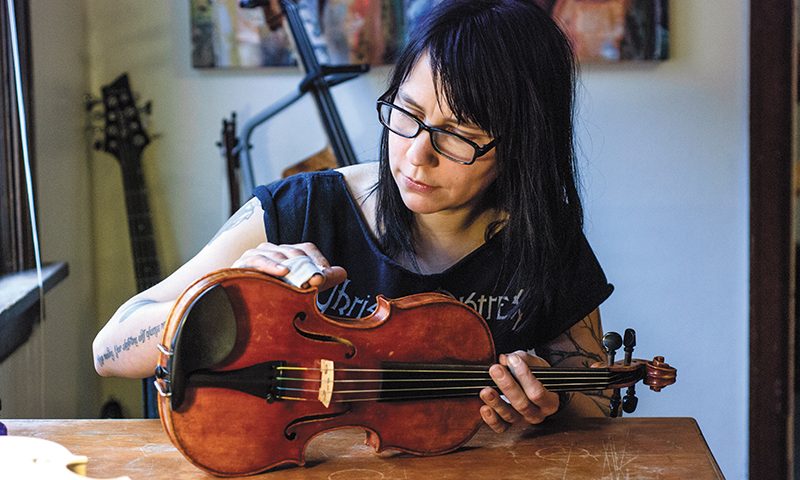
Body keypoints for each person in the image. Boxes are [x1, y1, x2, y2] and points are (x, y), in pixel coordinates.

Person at [93, 0, 614, 432]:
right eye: (407, 114)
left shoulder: (541, 236)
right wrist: (234, 291)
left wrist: (551, 400)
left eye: (458, 136)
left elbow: (601, 399)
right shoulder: (302, 208)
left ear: (522, 145)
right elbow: (110, 349)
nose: (416, 154)